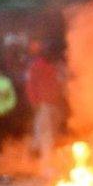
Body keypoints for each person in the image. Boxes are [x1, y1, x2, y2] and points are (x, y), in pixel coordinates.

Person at [25, 40, 62, 176]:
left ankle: (36, 165)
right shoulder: (37, 66)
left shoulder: (49, 66)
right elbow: (30, 86)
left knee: (46, 137)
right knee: (45, 137)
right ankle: (44, 168)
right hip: (44, 105)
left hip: (51, 105)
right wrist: (35, 104)